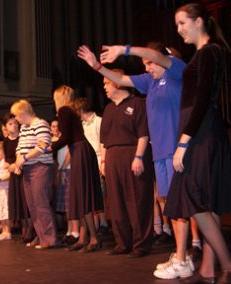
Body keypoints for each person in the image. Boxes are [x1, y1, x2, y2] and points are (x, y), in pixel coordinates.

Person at [78, 40, 200, 259]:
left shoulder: (175, 71)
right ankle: (181, 255)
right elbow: (121, 79)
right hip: (160, 153)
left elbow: (158, 57)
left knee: (187, 205)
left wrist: (124, 50)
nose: (147, 67)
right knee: (171, 205)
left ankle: (192, 251)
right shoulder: (149, 82)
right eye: (144, 64)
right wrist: (97, 66)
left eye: (149, 63)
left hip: (177, 150)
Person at [154, 3, 231, 282]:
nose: (178, 30)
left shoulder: (210, 52)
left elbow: (202, 100)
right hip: (199, 132)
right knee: (204, 202)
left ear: (199, 22)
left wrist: (184, 142)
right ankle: (209, 269)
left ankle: (227, 266)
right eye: (176, 25)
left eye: (182, 23)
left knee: (195, 199)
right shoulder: (203, 53)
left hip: (202, 134)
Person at [99, 70, 154, 258]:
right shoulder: (107, 109)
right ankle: (122, 243)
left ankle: (141, 245)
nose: (104, 87)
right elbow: (104, 139)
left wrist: (138, 157)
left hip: (132, 154)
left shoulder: (138, 104)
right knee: (116, 202)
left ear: (118, 83)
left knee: (138, 200)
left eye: (107, 83)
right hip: (112, 157)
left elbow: (143, 134)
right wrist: (103, 160)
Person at [46, 86, 103, 253]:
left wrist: (50, 148)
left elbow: (66, 138)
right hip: (82, 150)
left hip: (80, 151)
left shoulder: (64, 110)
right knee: (80, 195)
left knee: (82, 195)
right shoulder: (71, 110)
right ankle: (84, 238)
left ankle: (93, 239)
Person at [11, 100, 57, 249]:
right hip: (28, 169)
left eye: (17, 115)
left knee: (41, 203)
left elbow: (43, 145)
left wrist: (24, 159)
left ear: (24, 112)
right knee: (32, 205)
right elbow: (19, 148)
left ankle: (49, 239)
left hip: (40, 167)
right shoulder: (24, 127)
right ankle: (41, 235)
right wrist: (19, 162)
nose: (16, 119)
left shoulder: (41, 124)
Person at [73, 97, 109, 236]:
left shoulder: (99, 121)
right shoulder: (81, 125)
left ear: (81, 109)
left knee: (99, 193)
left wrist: (103, 162)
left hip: (98, 160)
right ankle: (98, 224)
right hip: (85, 162)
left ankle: (103, 223)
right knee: (92, 194)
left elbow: (103, 142)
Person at [2, 113, 33, 242]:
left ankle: (30, 230)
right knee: (18, 202)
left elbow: (25, 154)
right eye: (10, 124)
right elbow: (6, 159)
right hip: (14, 173)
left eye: (15, 123)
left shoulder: (23, 138)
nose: (14, 125)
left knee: (26, 201)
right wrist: (8, 165)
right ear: (5, 127)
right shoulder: (5, 141)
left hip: (23, 170)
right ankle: (23, 229)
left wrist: (17, 165)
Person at [50, 119, 79, 246]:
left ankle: (76, 231)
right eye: (53, 126)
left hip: (68, 170)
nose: (56, 128)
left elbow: (69, 154)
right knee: (66, 205)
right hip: (62, 171)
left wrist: (62, 168)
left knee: (71, 202)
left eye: (58, 126)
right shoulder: (55, 140)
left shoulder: (66, 139)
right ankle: (69, 231)